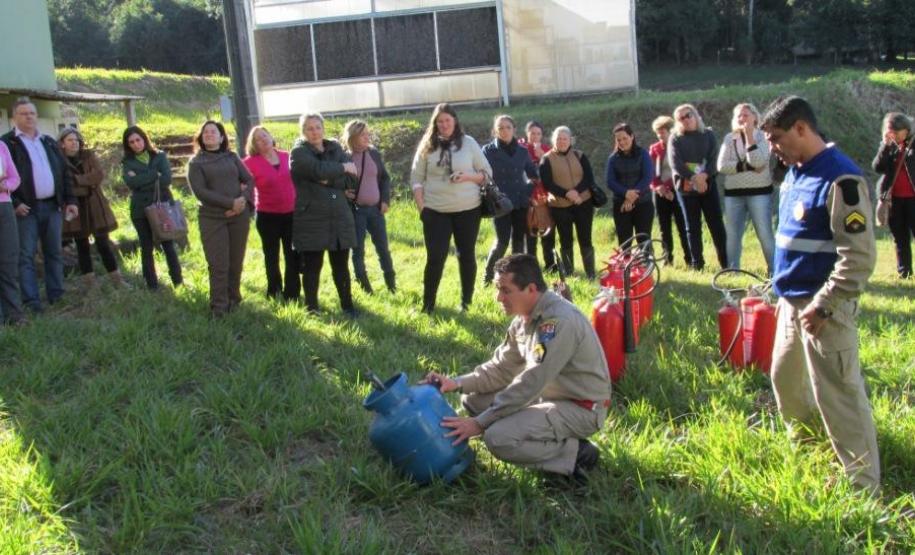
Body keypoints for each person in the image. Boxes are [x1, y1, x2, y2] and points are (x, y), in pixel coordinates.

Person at [762, 95, 880, 493]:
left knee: (839, 397)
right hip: (790, 303)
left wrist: (825, 305)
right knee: (785, 379)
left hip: (824, 308)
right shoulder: (795, 173)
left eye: (777, 138)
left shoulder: (840, 179)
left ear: (801, 128)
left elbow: (858, 258)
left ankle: (863, 487)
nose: (773, 148)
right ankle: (811, 451)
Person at [421, 254, 611, 483]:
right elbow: (500, 369)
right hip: (547, 395)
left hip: (581, 408)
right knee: (472, 400)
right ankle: (531, 433)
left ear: (531, 289)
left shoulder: (559, 322)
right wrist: (457, 382)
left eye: (505, 290)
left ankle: (576, 455)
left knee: (498, 438)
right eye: (497, 289)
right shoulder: (523, 319)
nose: (498, 297)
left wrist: (480, 423)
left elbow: (531, 382)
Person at [410, 103, 491, 313]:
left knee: (467, 255)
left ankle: (466, 303)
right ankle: (428, 305)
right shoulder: (427, 146)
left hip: (468, 210)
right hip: (435, 212)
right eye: (440, 121)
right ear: (435, 124)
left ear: (455, 121)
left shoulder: (469, 143)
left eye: (447, 120)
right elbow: (416, 179)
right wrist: (422, 208)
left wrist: (468, 177)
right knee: (435, 258)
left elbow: (487, 173)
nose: (444, 124)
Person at [1, 98, 78, 312]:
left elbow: (64, 173)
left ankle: (56, 294)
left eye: (32, 113)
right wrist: (15, 203)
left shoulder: (48, 142)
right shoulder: (8, 143)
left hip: (52, 207)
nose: (29, 117)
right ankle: (32, 301)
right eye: (24, 113)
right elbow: (7, 176)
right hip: (25, 210)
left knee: (54, 251)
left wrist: (70, 200)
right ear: (14, 118)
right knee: (26, 255)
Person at [290, 112, 359, 316]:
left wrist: (328, 179)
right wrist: (342, 168)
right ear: (303, 131)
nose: (314, 132)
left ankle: (348, 307)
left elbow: (352, 178)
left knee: (341, 266)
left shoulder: (335, 148)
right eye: (309, 128)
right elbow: (316, 170)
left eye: (317, 127)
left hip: (339, 217)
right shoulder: (298, 152)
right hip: (311, 218)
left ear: (323, 128)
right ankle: (312, 309)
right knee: (312, 266)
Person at [187, 120, 253, 318]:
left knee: (235, 261)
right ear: (201, 137)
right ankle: (219, 307)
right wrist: (230, 203)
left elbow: (249, 179)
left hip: (238, 217)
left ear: (221, 137)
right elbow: (201, 192)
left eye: (213, 131)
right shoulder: (196, 163)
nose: (209, 134)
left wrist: (242, 200)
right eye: (205, 132)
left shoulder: (231, 157)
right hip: (212, 218)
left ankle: (234, 300)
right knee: (218, 264)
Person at [58, 128, 124, 287]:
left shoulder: (88, 155)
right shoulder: (59, 160)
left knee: (103, 243)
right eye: (70, 140)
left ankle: (117, 280)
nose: (74, 143)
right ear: (62, 143)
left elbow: (98, 175)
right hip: (75, 207)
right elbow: (64, 184)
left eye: (76, 140)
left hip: (95, 205)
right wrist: (86, 184)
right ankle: (90, 284)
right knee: (82, 246)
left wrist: (77, 180)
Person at [121, 125, 183, 290]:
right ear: (128, 145)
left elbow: (166, 180)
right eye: (131, 142)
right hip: (140, 209)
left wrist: (141, 179)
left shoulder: (159, 156)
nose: (136, 144)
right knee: (146, 246)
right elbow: (132, 183)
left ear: (144, 139)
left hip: (162, 205)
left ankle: (178, 281)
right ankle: (152, 285)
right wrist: (155, 174)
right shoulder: (127, 162)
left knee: (168, 244)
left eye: (138, 140)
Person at [242, 125, 301, 301]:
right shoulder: (249, 163)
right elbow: (242, 186)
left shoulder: (287, 156)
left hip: (291, 214)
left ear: (271, 136)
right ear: (254, 145)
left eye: (265, 135)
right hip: (267, 216)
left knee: (292, 255)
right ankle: (274, 291)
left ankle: (292, 293)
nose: (263, 140)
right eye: (258, 139)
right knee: (271, 255)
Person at [668, 103, 728, 271]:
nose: (685, 120)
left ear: (695, 115)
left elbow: (715, 158)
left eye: (688, 115)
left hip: (708, 185)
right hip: (686, 189)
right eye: (681, 118)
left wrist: (704, 176)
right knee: (692, 228)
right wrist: (694, 178)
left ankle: (726, 264)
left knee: (716, 225)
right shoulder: (675, 138)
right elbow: (675, 163)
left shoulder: (708, 134)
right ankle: (697, 265)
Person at [717, 103, 775, 273]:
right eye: (739, 116)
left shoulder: (763, 137)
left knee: (764, 234)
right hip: (733, 193)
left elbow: (758, 161)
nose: (742, 118)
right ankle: (733, 271)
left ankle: (775, 271)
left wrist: (749, 136)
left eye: (746, 115)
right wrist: (746, 167)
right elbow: (721, 166)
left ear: (755, 117)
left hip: (759, 192)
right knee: (733, 235)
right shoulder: (730, 138)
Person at [341, 119, 396, 294]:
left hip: (376, 210)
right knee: (358, 251)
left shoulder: (373, 153)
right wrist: (343, 192)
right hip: (356, 211)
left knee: (383, 248)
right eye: (363, 134)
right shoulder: (344, 157)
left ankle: (391, 285)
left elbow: (384, 178)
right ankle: (365, 287)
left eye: (367, 133)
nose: (367, 137)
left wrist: (385, 200)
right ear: (353, 136)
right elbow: (335, 181)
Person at [482, 115, 538, 284]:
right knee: (502, 242)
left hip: (520, 201)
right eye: (500, 128)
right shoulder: (488, 151)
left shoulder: (522, 151)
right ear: (495, 131)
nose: (504, 131)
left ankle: (515, 278)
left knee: (519, 242)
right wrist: (491, 194)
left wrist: (527, 191)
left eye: (508, 127)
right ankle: (488, 277)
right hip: (500, 202)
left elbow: (533, 175)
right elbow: (483, 175)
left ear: (514, 129)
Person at [540, 126, 597, 279]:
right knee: (566, 241)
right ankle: (570, 275)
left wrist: (576, 192)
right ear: (553, 140)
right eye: (558, 138)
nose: (562, 141)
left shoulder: (580, 155)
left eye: (565, 138)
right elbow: (548, 183)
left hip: (583, 203)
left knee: (585, 239)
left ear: (570, 140)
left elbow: (588, 178)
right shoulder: (546, 159)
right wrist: (567, 194)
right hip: (560, 206)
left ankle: (591, 273)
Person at [871, 112, 915, 278]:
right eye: (890, 132)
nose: (893, 135)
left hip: (913, 198)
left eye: (896, 132)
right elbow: (878, 167)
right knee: (900, 237)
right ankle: (904, 272)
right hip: (893, 199)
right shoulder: (889, 146)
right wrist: (885, 146)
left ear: (906, 130)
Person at [649, 116, 691, 266]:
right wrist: (658, 187)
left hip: (677, 190)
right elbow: (651, 172)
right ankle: (667, 259)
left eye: (663, 132)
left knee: (682, 226)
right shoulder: (654, 148)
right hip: (660, 193)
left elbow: (681, 169)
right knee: (664, 228)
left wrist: (667, 188)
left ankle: (689, 258)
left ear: (671, 131)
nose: (660, 136)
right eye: (658, 133)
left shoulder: (679, 146)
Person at [605, 123, 654, 247]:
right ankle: (626, 260)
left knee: (644, 240)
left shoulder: (643, 154)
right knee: (624, 241)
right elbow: (610, 181)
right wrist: (626, 193)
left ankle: (645, 259)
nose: (622, 142)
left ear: (632, 136)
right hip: (621, 205)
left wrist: (631, 197)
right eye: (618, 140)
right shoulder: (613, 159)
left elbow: (648, 177)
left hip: (643, 203)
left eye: (625, 138)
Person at [520, 121, 552, 269]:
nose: (535, 136)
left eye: (538, 133)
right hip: (527, 197)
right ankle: (531, 265)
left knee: (547, 232)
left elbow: (553, 171)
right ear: (527, 134)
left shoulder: (547, 150)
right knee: (530, 233)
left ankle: (551, 264)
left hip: (545, 197)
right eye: (532, 133)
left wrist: (542, 156)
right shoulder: (521, 149)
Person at [0, 139, 25, 324]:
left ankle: (14, 315)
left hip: (4, 207)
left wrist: (5, 186)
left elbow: (15, 178)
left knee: (8, 261)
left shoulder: (1, 146)